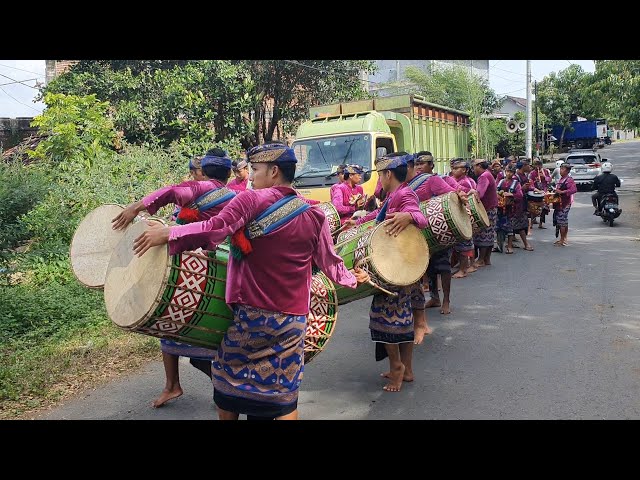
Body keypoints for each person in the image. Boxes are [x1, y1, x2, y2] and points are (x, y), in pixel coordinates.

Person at [132, 142, 370, 420]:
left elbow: (214, 229)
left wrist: (169, 233)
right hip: (293, 321)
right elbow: (329, 261)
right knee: (283, 393)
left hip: (253, 317)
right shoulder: (314, 214)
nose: (251, 176)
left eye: (255, 169)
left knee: (226, 382)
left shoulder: (250, 200)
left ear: (274, 171)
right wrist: (352, 278)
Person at [111, 148, 236, 408]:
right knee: (202, 329)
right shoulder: (235, 194)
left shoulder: (199, 189)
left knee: (175, 322)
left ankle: (181, 385)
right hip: (223, 266)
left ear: (205, 172)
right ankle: (180, 385)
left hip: (196, 264)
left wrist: (136, 207)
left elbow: (170, 192)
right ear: (228, 172)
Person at [346, 152, 428, 392]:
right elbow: (379, 217)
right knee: (403, 321)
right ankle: (406, 369)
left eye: (380, 174)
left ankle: (397, 368)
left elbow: (421, 218)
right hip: (398, 265)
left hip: (397, 267)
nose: (380, 179)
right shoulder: (395, 195)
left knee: (384, 322)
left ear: (388, 174)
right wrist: (358, 222)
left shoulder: (404, 194)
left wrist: (409, 215)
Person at [411, 152, 466, 316]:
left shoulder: (434, 180)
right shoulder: (411, 183)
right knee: (428, 268)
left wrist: (462, 194)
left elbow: (452, 193)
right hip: (421, 231)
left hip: (440, 230)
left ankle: (446, 300)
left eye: (423, 163)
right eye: (417, 164)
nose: (419, 167)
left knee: (443, 266)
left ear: (431, 165)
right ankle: (434, 298)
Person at [449, 160, 477, 278]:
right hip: (461, 214)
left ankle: (463, 269)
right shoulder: (458, 181)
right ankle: (469, 265)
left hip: (464, 214)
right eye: (453, 168)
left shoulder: (465, 182)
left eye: (457, 168)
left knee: (465, 243)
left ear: (464, 170)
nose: (453, 170)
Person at [470, 159, 498, 268]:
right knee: (489, 233)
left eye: (474, 167)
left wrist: (472, 191)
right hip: (492, 208)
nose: (473, 170)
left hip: (487, 210)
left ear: (479, 166)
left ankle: (481, 259)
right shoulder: (488, 174)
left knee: (484, 234)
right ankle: (487, 259)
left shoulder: (484, 176)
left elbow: (479, 194)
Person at [496, 165, 523, 254]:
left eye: (511, 172)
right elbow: (495, 190)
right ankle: (499, 246)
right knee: (498, 227)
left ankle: (510, 246)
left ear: (513, 173)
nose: (508, 173)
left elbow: (520, 195)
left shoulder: (516, 183)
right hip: (500, 208)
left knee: (509, 228)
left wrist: (511, 195)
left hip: (510, 209)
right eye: (507, 171)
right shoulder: (500, 181)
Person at [553, 163, 578, 246]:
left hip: (565, 203)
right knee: (563, 221)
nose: (561, 171)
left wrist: (562, 192)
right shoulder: (561, 179)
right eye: (560, 169)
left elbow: (573, 190)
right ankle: (563, 238)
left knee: (562, 221)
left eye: (563, 169)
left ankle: (562, 239)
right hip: (559, 203)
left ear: (567, 171)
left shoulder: (569, 180)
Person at [529, 158, 552, 229]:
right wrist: (535, 188)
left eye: (539, 165)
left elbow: (549, 180)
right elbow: (530, 183)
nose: (538, 167)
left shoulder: (545, 171)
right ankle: (532, 224)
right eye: (536, 165)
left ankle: (541, 223)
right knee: (533, 208)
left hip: (544, 191)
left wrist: (544, 177)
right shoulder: (532, 173)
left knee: (544, 208)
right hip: (535, 192)